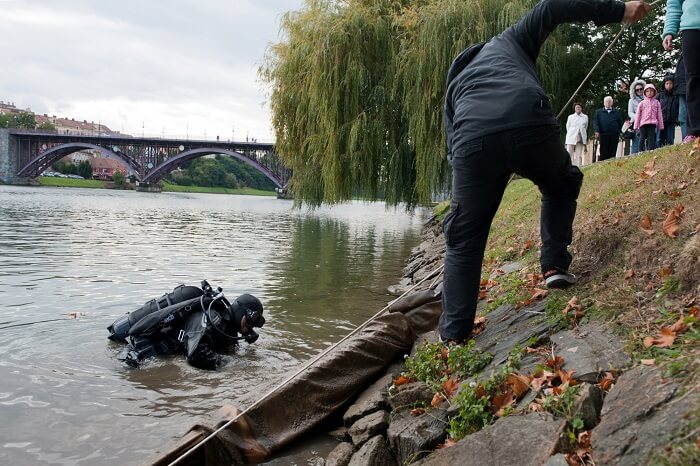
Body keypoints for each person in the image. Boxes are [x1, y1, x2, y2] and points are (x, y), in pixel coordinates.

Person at [441, 0, 651, 344]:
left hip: (471, 141)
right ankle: (553, 265)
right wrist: (621, 10)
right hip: (528, 119)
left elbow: (454, 146)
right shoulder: (509, 40)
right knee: (561, 184)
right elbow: (553, 5)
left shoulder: (454, 87)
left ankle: (453, 336)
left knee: (463, 239)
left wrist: (480, 182)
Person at [108, 280, 265, 369]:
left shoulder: (227, 328)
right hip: (138, 355)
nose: (253, 325)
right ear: (244, 313)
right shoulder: (212, 317)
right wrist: (235, 364)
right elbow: (196, 356)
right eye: (255, 318)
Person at [663, 0, 699, 151]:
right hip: (692, 28)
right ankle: (695, 131)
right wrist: (669, 30)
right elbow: (674, 5)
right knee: (694, 78)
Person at [634, 83, 664, 151]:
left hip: (652, 123)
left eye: (651, 91)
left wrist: (661, 125)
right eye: (647, 91)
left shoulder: (657, 102)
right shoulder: (642, 103)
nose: (649, 93)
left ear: (654, 92)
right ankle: (640, 151)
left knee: (651, 138)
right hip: (643, 123)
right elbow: (638, 115)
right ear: (645, 93)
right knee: (642, 137)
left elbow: (659, 114)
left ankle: (650, 151)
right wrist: (636, 126)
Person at [593, 96, 625, 160]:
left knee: (613, 151)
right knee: (603, 151)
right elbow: (595, 122)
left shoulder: (617, 112)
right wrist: (597, 131)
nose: (608, 103)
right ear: (604, 103)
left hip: (614, 134)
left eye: (609, 101)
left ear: (612, 103)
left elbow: (620, 122)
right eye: (606, 101)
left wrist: (619, 132)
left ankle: (611, 164)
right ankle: (603, 165)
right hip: (603, 134)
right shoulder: (598, 112)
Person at [656, 75, 679, 146]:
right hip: (660, 120)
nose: (669, 85)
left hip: (671, 120)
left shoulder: (676, 95)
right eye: (667, 83)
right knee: (659, 138)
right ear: (664, 84)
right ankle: (658, 150)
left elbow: (678, 107)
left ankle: (670, 152)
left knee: (670, 138)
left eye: (671, 83)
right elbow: (655, 106)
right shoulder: (660, 95)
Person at [628, 78, 647, 153]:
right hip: (637, 123)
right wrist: (638, 118)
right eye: (637, 90)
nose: (639, 91)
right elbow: (630, 112)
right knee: (636, 142)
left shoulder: (648, 99)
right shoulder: (631, 101)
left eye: (641, 89)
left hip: (647, 122)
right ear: (634, 91)